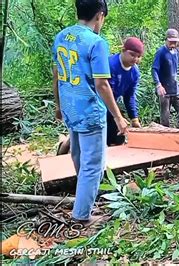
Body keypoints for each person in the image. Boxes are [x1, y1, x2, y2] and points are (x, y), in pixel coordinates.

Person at [52, 0, 128, 224]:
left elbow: (56, 75)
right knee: (93, 165)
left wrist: (58, 105)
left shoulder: (62, 37)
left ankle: (83, 201)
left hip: (70, 108)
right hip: (90, 111)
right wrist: (117, 116)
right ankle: (82, 215)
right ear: (100, 15)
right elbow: (102, 85)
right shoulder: (96, 43)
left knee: (77, 155)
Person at [56, 37, 144, 155]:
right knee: (81, 137)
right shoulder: (109, 64)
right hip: (92, 102)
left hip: (110, 105)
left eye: (138, 57)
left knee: (117, 136)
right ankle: (63, 148)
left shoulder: (134, 73)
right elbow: (102, 89)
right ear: (123, 50)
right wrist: (117, 117)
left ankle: (110, 167)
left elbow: (129, 96)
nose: (135, 59)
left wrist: (134, 118)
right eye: (132, 55)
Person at [151, 28, 179, 129]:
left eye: (175, 42)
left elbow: (174, 71)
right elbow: (154, 69)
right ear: (166, 40)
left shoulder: (176, 52)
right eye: (171, 41)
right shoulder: (161, 52)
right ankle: (166, 136)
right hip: (164, 90)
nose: (173, 43)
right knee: (165, 116)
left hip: (175, 89)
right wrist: (158, 85)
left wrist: (178, 84)